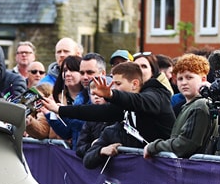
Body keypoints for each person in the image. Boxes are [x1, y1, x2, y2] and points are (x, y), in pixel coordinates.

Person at [40, 60, 175, 146]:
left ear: (134, 84)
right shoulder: (123, 105)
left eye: (118, 84)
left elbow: (139, 101)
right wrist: (60, 110)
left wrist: (111, 95)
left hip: (169, 165)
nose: (114, 88)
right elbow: (96, 112)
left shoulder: (156, 95)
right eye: (113, 84)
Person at [144, 54, 216, 159]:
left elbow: (184, 145)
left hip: (196, 166)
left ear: (203, 79)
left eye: (189, 77)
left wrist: (153, 147)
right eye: (180, 79)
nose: (184, 83)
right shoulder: (190, 105)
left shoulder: (200, 105)